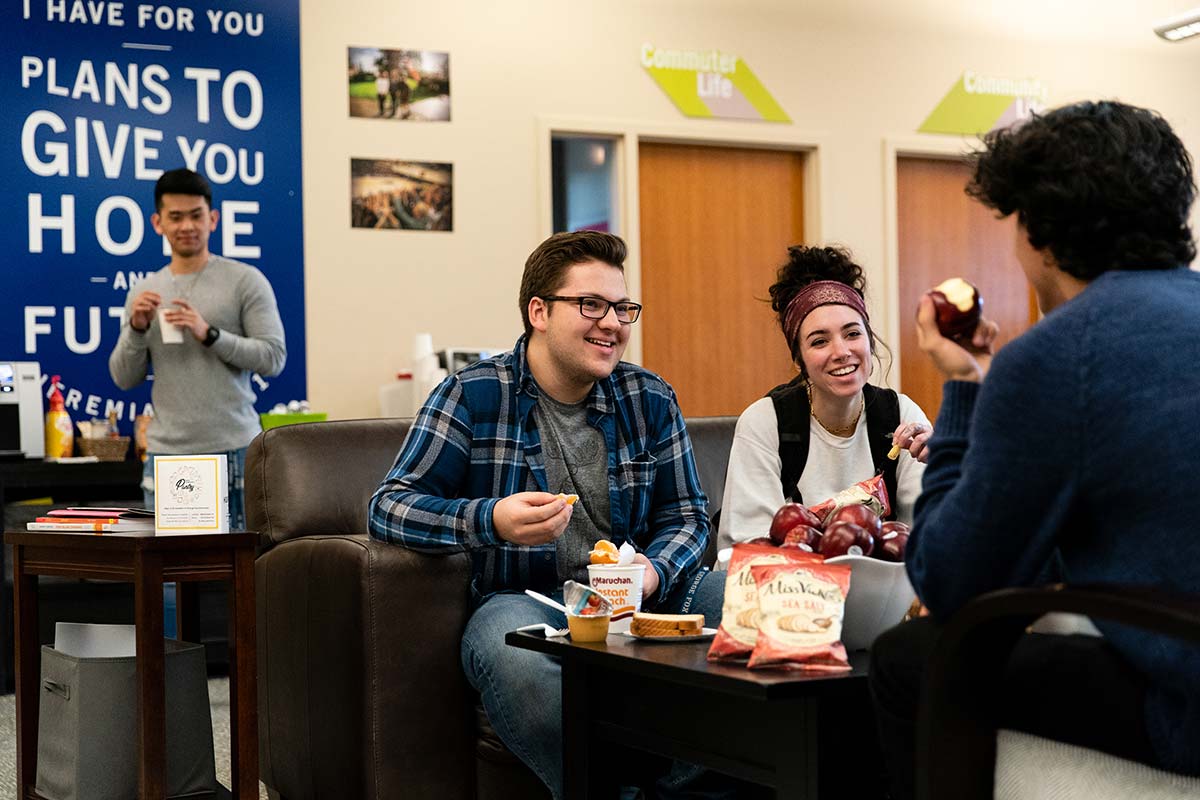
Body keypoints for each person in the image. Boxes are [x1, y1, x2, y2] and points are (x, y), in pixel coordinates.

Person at [869, 100, 1200, 799]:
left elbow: (950, 577)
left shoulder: (1058, 355)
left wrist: (963, 387)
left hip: (1188, 706)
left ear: (1042, 232)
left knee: (906, 659)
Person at [368, 231, 723, 799]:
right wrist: (490, 520)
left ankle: (679, 787)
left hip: (644, 600)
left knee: (750, 601)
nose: (613, 323)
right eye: (591, 305)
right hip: (525, 602)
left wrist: (653, 570)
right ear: (539, 311)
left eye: (623, 308)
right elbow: (388, 506)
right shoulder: (473, 393)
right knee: (521, 669)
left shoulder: (650, 397)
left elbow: (687, 514)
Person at [718, 245, 932, 551]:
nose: (841, 352)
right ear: (798, 360)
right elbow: (748, 545)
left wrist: (942, 467)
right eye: (819, 341)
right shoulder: (766, 422)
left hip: (883, 591)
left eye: (852, 334)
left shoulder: (902, 414)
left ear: (869, 341)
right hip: (792, 592)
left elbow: (932, 537)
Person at [109, 168, 286, 531]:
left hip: (235, 449)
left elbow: (273, 358)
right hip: (168, 455)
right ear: (158, 223)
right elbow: (124, 378)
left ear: (213, 219)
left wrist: (210, 334)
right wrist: (137, 328)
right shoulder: (144, 290)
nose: (186, 225)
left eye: (196, 215)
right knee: (167, 580)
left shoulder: (245, 280)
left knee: (240, 576)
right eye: (175, 217)